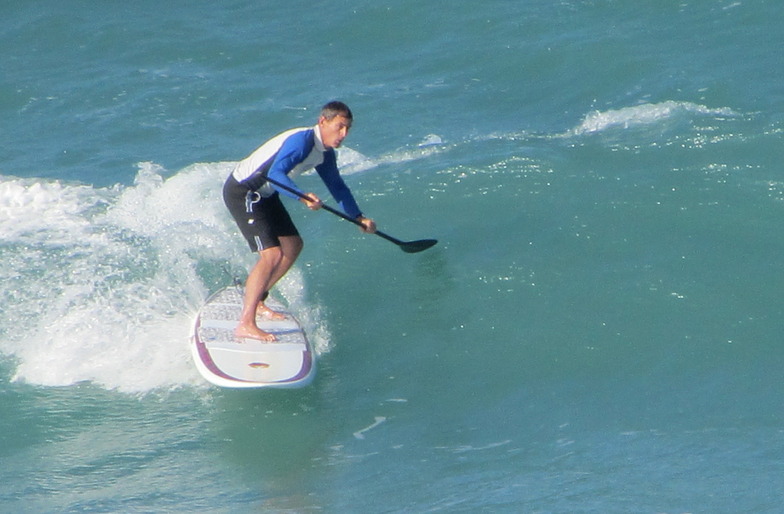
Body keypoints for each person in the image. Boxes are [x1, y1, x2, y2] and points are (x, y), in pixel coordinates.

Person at [223, 101, 376, 341]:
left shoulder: (325, 154)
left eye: (348, 129)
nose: (344, 135)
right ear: (323, 122)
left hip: (266, 194)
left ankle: (259, 299)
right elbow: (275, 174)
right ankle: (245, 323)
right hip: (244, 190)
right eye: (340, 127)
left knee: (293, 245)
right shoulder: (302, 141)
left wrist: (358, 217)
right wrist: (303, 197)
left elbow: (337, 186)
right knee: (271, 254)